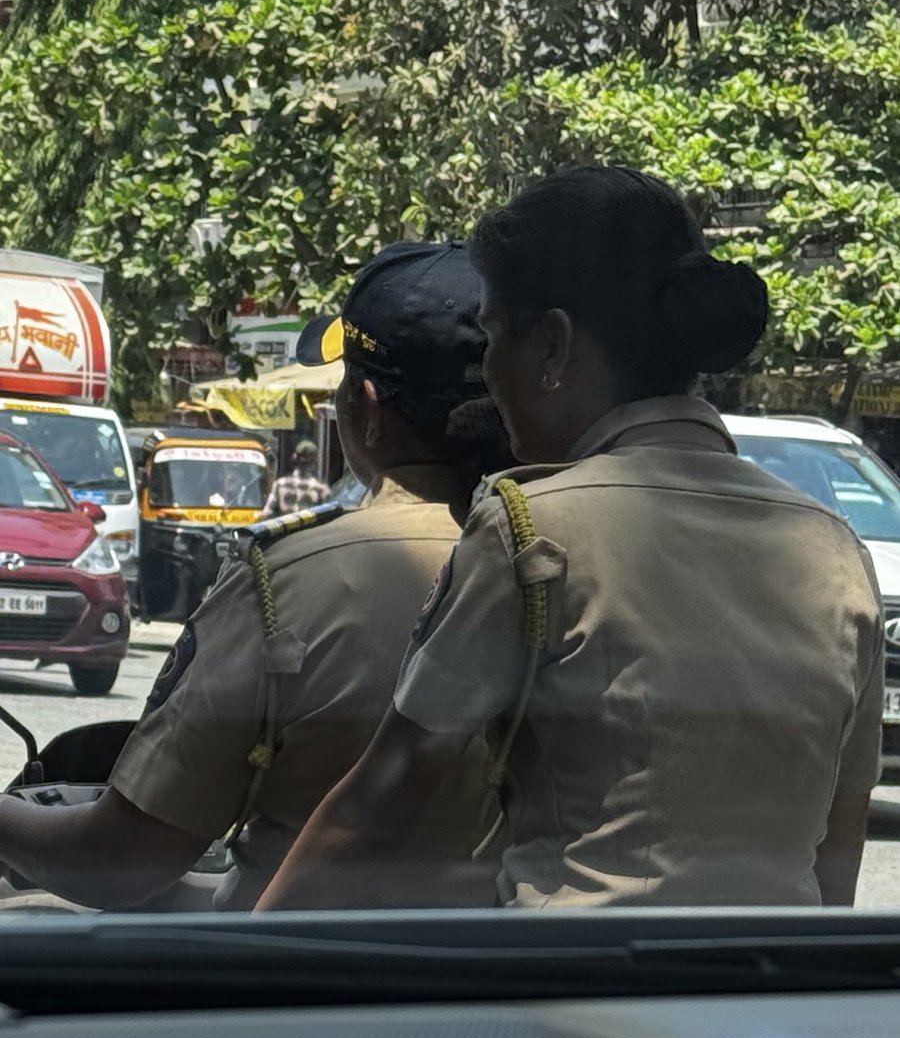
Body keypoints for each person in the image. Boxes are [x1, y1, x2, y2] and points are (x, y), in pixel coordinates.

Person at [258, 166, 883, 913]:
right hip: (759, 1001)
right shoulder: (834, 547)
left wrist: (242, 977)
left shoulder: (530, 528)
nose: (486, 377)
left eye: (491, 336)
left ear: (551, 347)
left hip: (566, 997)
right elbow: (838, 850)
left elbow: (378, 807)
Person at [0, 241, 511, 911]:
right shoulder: (569, 555)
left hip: (288, 972)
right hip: (510, 960)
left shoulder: (289, 579)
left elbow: (119, 861)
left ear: (365, 406)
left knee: (28, 914)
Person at [261, 440, 330, 516]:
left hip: (289, 526)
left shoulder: (280, 484)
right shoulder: (321, 489)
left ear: (294, 458)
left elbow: (266, 513)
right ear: (315, 461)